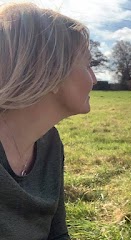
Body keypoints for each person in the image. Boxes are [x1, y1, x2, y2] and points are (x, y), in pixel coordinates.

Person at [0, 2, 97, 239]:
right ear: (51, 70)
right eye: (87, 64)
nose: (94, 79)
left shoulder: (50, 143)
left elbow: (58, 232)